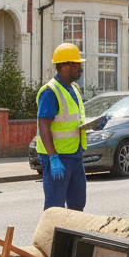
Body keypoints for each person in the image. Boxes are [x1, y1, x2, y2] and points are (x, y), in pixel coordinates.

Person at [37, 43, 87, 211]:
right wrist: (53, 157)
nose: (80, 68)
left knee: (77, 204)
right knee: (55, 208)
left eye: (80, 64)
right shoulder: (50, 92)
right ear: (63, 66)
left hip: (74, 154)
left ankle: (72, 238)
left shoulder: (74, 88)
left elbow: (73, 119)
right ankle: (50, 238)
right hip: (57, 158)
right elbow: (43, 125)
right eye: (76, 64)